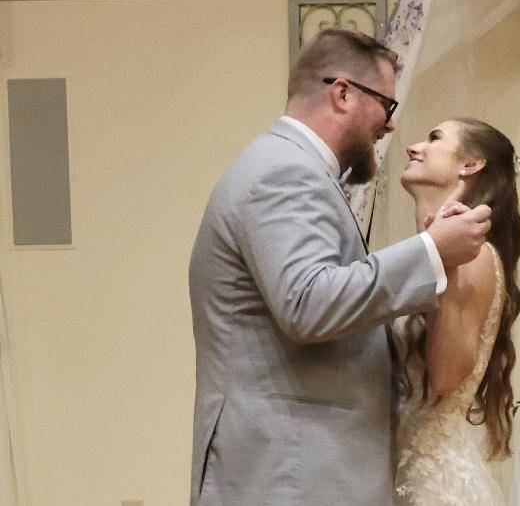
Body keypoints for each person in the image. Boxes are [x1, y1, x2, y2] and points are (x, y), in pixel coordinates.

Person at [188, 29, 492, 506]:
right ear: (343, 93)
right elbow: (308, 303)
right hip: (289, 471)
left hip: (300, 467)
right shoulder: (285, 171)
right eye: (387, 107)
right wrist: (431, 251)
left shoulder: (291, 167)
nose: (390, 127)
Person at [393, 118, 520, 505]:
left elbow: (447, 378)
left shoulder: (473, 257)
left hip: (430, 484)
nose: (415, 147)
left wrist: (444, 264)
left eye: (434, 138)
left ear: (471, 164)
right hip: (401, 469)